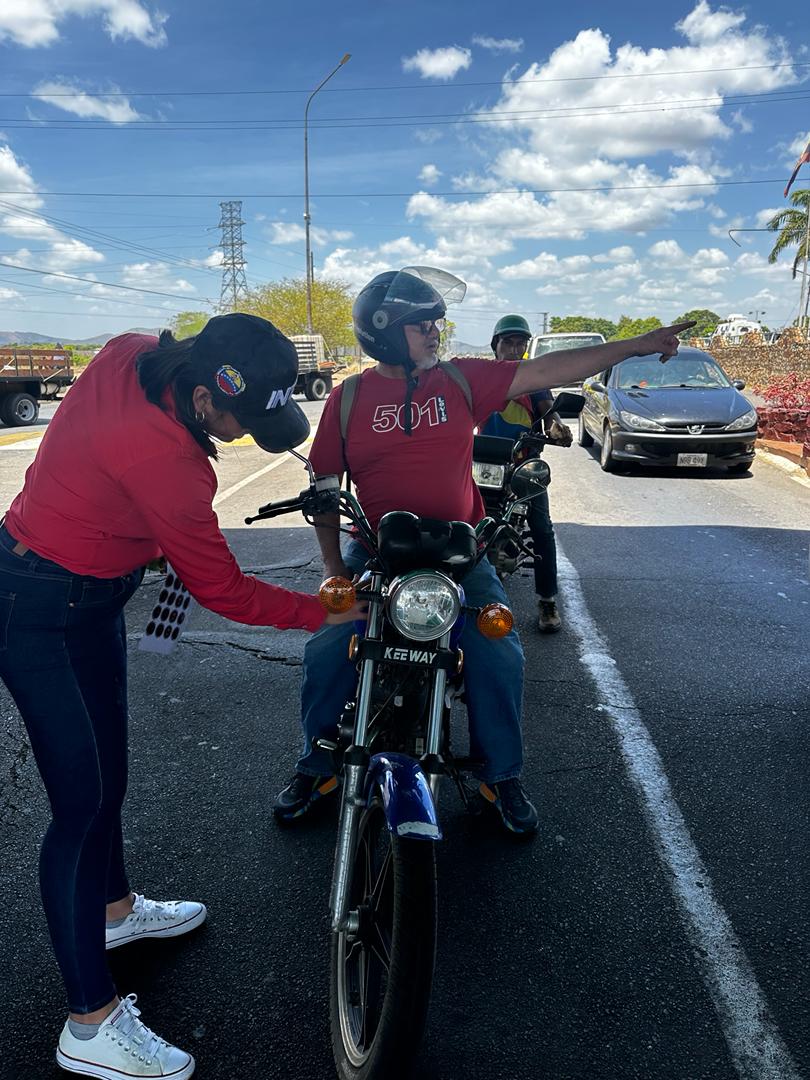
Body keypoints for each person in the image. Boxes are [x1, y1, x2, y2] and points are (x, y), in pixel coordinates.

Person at [0, 313, 363, 1080]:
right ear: (203, 398)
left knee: (111, 775)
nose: (243, 437)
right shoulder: (170, 463)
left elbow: (137, 342)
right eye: (243, 420)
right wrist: (326, 608)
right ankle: (89, 1025)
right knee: (80, 807)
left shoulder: (134, 352)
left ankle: (115, 914)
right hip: (35, 606)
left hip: (88, 597)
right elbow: (222, 590)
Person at [272, 267, 690, 836]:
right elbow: (324, 488)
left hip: (460, 553)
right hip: (375, 553)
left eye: (438, 324)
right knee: (328, 645)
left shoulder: (462, 380)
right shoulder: (348, 398)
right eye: (425, 326)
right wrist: (331, 570)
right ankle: (317, 764)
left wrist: (638, 345)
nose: (437, 333)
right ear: (387, 331)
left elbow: (547, 369)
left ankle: (500, 775)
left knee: (499, 654)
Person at [480, 314, 571, 632]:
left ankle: (547, 600)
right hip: (483, 464)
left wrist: (555, 425)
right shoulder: (482, 376)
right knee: (460, 519)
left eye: (521, 343)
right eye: (508, 342)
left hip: (522, 463)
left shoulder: (533, 378)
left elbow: (548, 408)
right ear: (496, 346)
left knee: (541, 529)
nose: (515, 349)